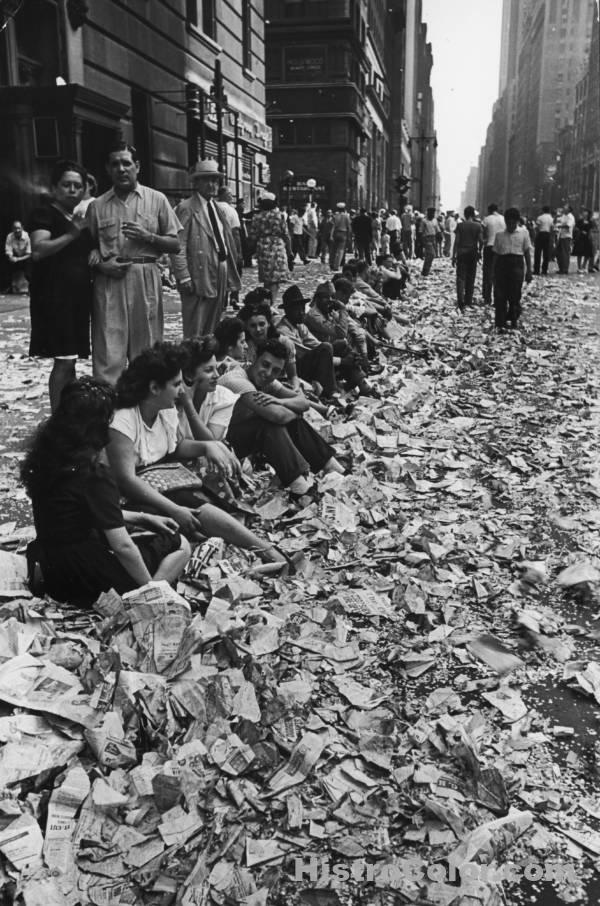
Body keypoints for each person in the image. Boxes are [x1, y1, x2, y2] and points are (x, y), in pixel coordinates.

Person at [106, 342, 288, 567]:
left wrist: (206, 447)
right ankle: (266, 550)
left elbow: (176, 446)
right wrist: (172, 508)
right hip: (126, 497)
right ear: (154, 388)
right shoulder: (123, 419)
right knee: (189, 507)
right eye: (175, 384)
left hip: (158, 484)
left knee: (198, 497)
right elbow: (126, 479)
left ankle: (260, 547)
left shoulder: (166, 410)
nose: (181, 390)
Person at [21, 377, 190, 605]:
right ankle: (148, 598)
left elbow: (75, 514)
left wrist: (143, 518)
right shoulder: (93, 474)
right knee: (180, 544)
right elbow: (122, 546)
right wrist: (146, 586)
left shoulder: (46, 457)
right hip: (88, 576)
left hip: (52, 568)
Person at [87, 142, 181, 383]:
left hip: (145, 277)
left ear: (137, 167)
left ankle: (144, 409)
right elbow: (87, 247)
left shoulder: (157, 199)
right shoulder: (97, 206)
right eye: (115, 164)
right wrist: (99, 264)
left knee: (147, 349)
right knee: (109, 349)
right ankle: (109, 411)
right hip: (109, 281)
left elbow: (175, 244)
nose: (121, 169)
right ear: (108, 169)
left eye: (126, 163)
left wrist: (148, 236)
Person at [221, 338, 344, 495]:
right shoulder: (237, 381)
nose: (268, 373)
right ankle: (300, 488)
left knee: (290, 420)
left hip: (240, 442)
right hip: (220, 446)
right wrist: (289, 408)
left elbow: (303, 403)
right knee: (267, 424)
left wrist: (280, 401)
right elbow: (278, 416)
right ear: (253, 359)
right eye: (265, 365)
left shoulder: (267, 381)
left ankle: (331, 467)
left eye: (276, 371)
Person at [29, 159, 93, 412]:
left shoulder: (78, 217)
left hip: (77, 299)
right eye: (66, 185)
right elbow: (38, 250)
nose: (73, 190)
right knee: (64, 362)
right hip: (55, 299)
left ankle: (70, 412)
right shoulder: (44, 214)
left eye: (78, 185)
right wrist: (70, 234)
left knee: (71, 360)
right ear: (55, 187)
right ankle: (57, 419)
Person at [171, 159, 241, 339]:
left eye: (215, 180)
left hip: (219, 268)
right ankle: (192, 362)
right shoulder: (187, 208)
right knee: (196, 324)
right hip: (198, 272)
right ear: (196, 183)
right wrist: (183, 275)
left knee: (213, 323)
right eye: (207, 180)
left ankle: (207, 361)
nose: (213, 185)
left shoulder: (215, 207)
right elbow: (178, 244)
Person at [305, 282, 376, 397]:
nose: (329, 301)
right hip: (318, 357)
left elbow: (346, 327)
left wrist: (338, 313)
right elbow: (340, 332)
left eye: (331, 297)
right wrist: (342, 309)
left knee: (343, 345)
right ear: (317, 299)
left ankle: (360, 382)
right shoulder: (314, 315)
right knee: (341, 344)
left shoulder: (327, 311)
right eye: (325, 298)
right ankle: (343, 389)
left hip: (328, 352)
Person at [277, 284, 341, 401]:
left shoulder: (300, 325)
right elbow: (303, 353)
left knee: (340, 345)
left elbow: (316, 344)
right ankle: (331, 392)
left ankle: (360, 380)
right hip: (296, 369)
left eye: (303, 308)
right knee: (326, 348)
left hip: (309, 360)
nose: (302, 313)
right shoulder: (283, 330)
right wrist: (341, 361)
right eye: (298, 310)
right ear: (288, 311)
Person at [177, 336, 237, 442]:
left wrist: (188, 405)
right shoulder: (170, 398)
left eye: (216, 368)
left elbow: (212, 441)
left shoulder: (224, 399)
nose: (217, 375)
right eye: (209, 370)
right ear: (189, 374)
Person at [238, 290, 299, 388]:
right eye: (253, 326)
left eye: (262, 324)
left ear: (269, 324)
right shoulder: (244, 346)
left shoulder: (285, 343)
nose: (258, 330)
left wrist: (295, 389)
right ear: (246, 327)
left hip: (281, 383)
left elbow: (293, 376)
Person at [492, 206, 532, 331]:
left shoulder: (524, 234)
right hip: (502, 265)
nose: (510, 224)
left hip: (517, 264)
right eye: (508, 222)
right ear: (505, 221)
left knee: (515, 294)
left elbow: (527, 253)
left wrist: (529, 271)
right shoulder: (499, 235)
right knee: (500, 295)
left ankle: (514, 318)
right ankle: (500, 322)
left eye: (513, 222)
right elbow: (496, 255)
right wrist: (492, 272)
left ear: (517, 221)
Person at [248, 193, 291, 304]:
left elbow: (252, 236)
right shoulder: (280, 215)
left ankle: (267, 301)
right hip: (277, 246)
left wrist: (251, 249)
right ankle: (271, 302)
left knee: (267, 278)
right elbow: (286, 234)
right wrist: (290, 250)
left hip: (263, 247)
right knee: (276, 279)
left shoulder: (257, 217)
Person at [452, 206, 483, 310]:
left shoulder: (460, 226)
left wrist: (453, 256)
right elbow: (481, 241)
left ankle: (460, 301)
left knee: (460, 278)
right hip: (472, 253)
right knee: (471, 278)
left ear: (465, 214)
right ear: (473, 215)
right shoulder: (478, 226)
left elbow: (456, 242)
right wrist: (479, 251)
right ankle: (468, 301)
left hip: (461, 253)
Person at [5, 220, 31, 293]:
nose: (17, 230)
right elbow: (8, 250)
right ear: (12, 229)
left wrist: (17, 259)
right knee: (6, 262)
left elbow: (29, 254)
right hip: (15, 257)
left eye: (19, 228)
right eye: (15, 228)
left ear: (22, 228)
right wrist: (10, 257)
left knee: (30, 265)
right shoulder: (9, 236)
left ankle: (31, 289)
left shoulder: (27, 236)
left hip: (26, 258)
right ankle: (9, 287)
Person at [419, 208, 441, 277]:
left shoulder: (435, 220)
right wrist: (421, 241)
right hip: (427, 238)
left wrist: (440, 236)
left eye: (433, 213)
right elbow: (420, 231)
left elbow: (438, 229)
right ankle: (425, 270)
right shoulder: (424, 221)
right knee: (431, 254)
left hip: (433, 238)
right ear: (428, 213)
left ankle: (425, 272)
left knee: (429, 255)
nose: (432, 215)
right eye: (431, 213)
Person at [533, 205, 554, 276]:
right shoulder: (551, 218)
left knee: (538, 253)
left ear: (543, 210)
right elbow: (552, 227)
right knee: (546, 253)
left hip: (541, 234)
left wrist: (536, 235)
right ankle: (544, 270)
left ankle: (536, 270)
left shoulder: (540, 217)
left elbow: (537, 227)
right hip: (547, 234)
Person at [330, 203, 352, 270]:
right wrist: (349, 236)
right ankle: (337, 266)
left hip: (336, 233)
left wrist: (331, 235)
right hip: (343, 233)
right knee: (340, 251)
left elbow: (332, 226)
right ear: (344, 209)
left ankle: (332, 263)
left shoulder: (335, 216)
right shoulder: (346, 216)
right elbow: (349, 227)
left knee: (333, 250)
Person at [556, 205, 575, 275]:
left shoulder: (570, 217)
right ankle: (561, 268)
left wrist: (560, 226)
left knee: (565, 253)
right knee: (559, 253)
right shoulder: (564, 216)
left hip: (567, 236)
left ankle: (565, 269)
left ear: (569, 209)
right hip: (561, 236)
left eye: (566, 207)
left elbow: (568, 225)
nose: (564, 208)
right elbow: (559, 221)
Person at [573, 209, 594, 273]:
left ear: (588, 214)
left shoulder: (590, 222)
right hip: (580, 238)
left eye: (586, 213)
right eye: (583, 212)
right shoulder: (579, 221)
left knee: (587, 253)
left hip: (587, 238)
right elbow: (575, 228)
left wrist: (590, 236)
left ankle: (584, 266)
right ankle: (579, 267)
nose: (584, 214)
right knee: (579, 253)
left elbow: (591, 230)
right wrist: (581, 231)